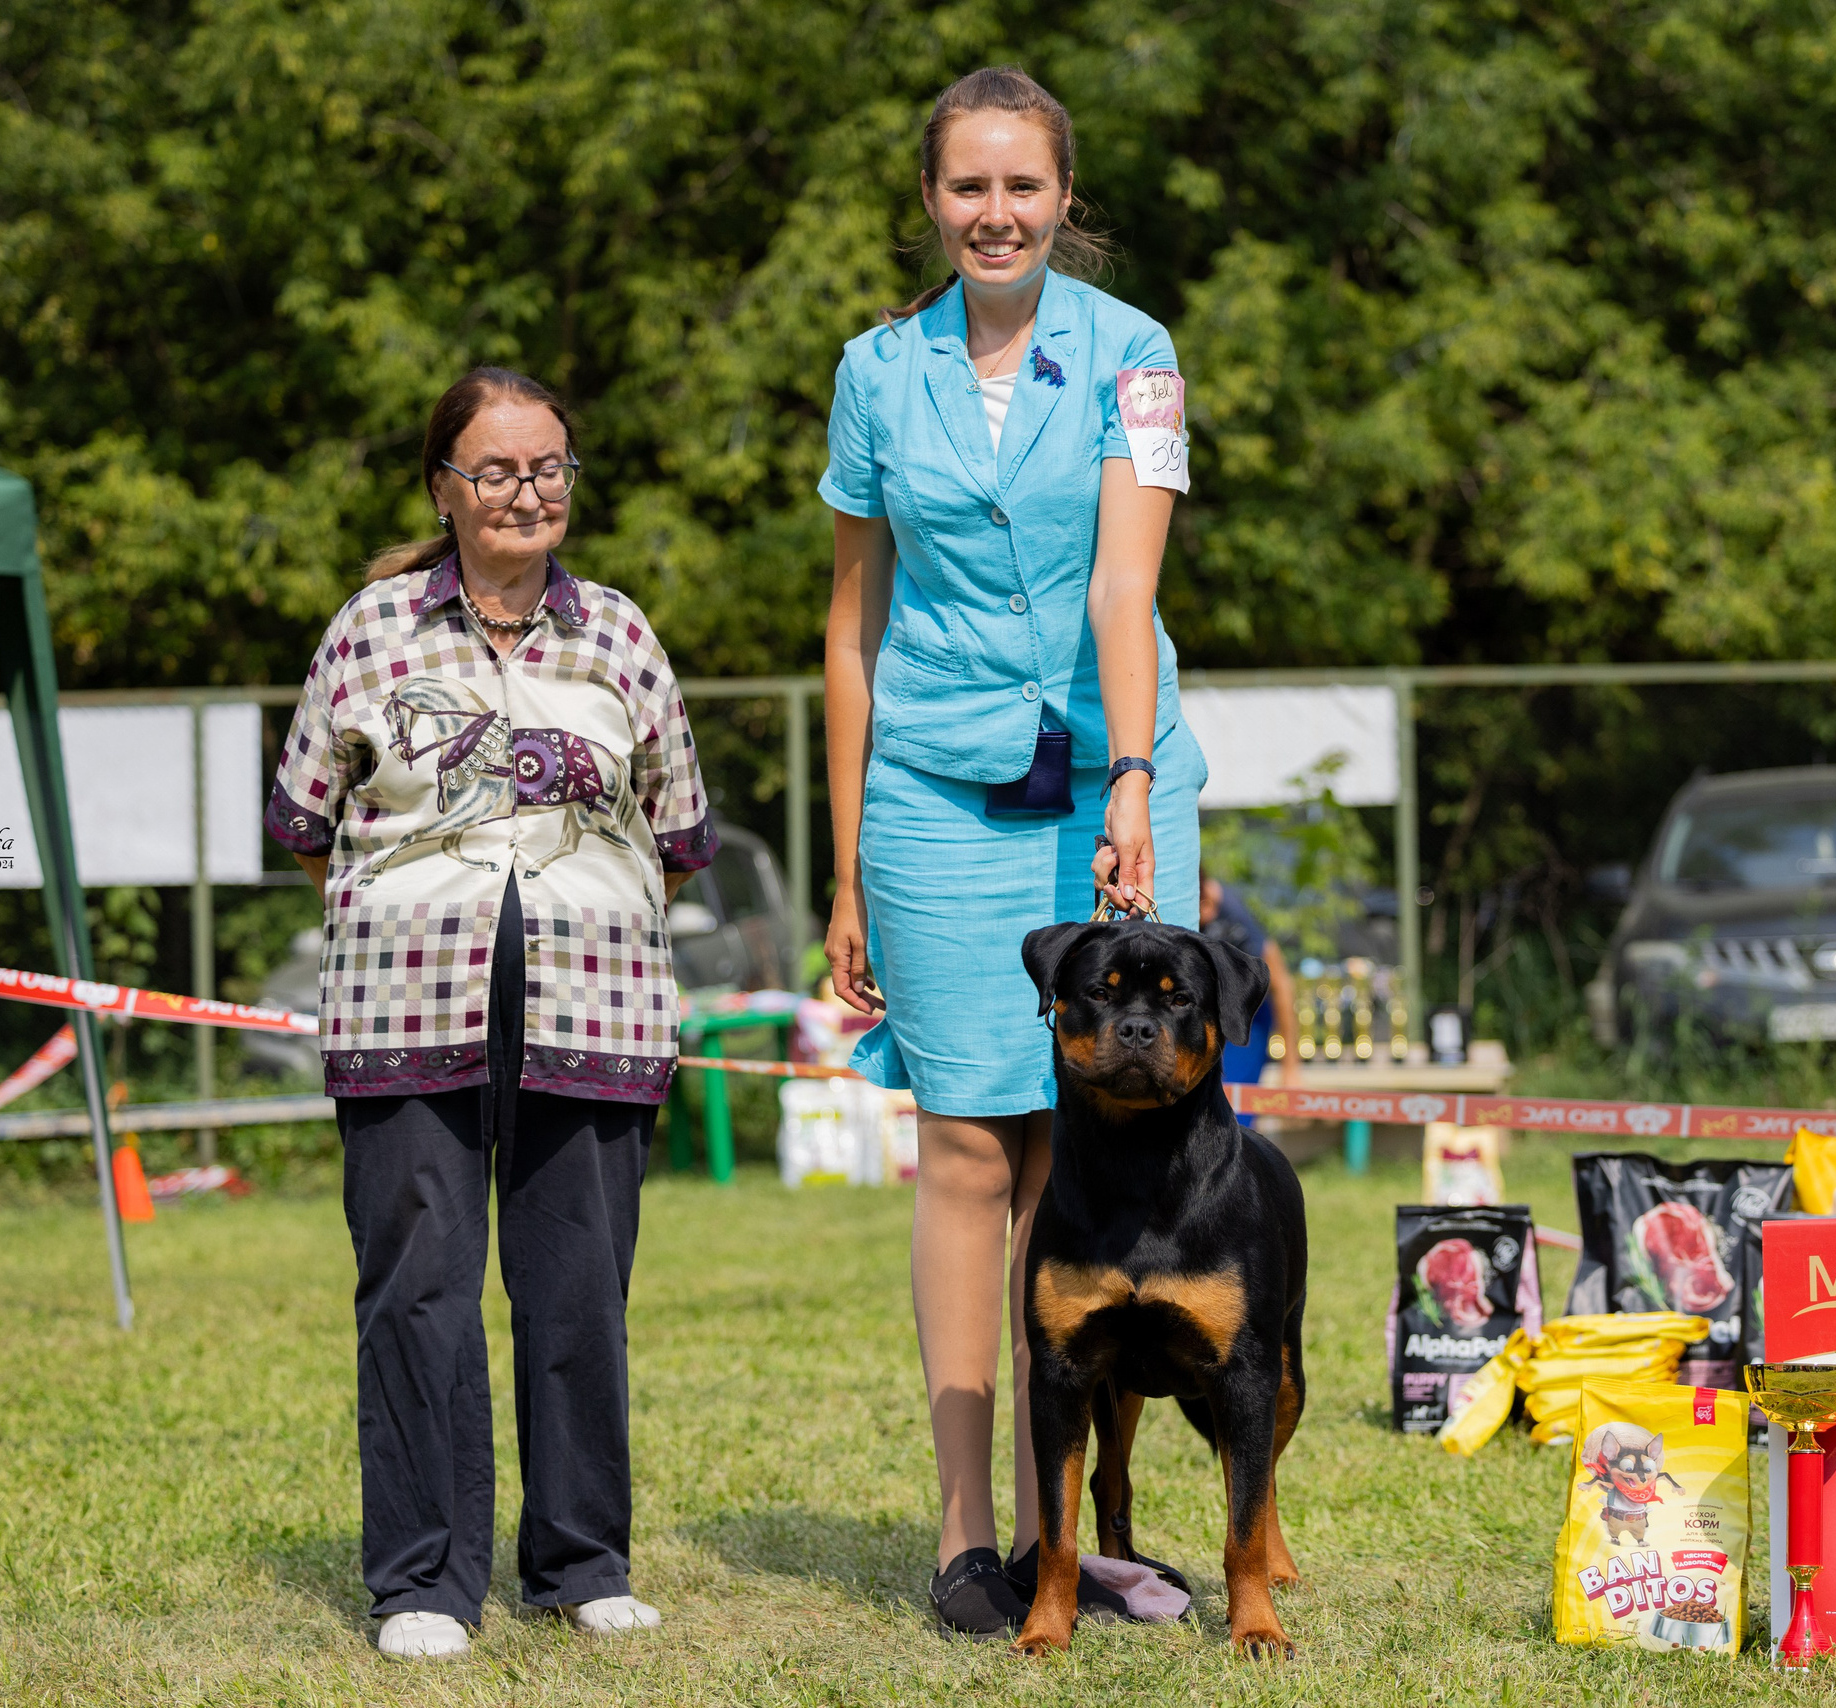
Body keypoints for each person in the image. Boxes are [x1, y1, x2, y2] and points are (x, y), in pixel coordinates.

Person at [818, 65, 1208, 1638]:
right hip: (931, 796)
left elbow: (1126, 585)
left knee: (1086, 1146)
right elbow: (850, 627)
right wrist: (847, 863)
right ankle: (968, 1532)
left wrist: (1131, 773)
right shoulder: (874, 372)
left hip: (1114, 781)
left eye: (1023, 186)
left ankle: (1068, 1531)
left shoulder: (1134, 354)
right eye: (969, 187)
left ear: (1063, 198)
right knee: (972, 1147)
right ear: (932, 200)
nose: (997, 213)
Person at [267, 367, 713, 1661]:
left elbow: (679, 832)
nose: (527, 492)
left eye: (549, 467)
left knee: (578, 1290)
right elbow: (304, 817)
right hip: (404, 1002)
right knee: (417, 1288)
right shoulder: (370, 632)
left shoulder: (619, 634)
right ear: (444, 489)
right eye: (499, 470)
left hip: (596, 1006)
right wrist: (410, 904)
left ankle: (581, 1561)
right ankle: (421, 1578)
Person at [1198, 875, 1302, 1124]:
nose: (1207, 914)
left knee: (1231, 1112)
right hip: (1207, 1011)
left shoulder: (1234, 914)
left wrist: (1291, 1068)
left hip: (1247, 1016)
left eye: (1206, 905)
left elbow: (1282, 985)